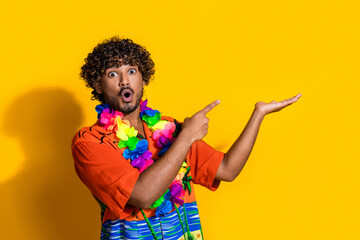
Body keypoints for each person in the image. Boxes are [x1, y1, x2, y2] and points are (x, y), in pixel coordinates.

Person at [71, 36, 302, 240]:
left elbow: (227, 169)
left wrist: (258, 115)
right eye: (113, 74)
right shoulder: (89, 142)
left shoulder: (168, 129)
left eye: (131, 71)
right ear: (98, 85)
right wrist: (187, 137)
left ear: (143, 78)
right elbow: (142, 196)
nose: (124, 81)